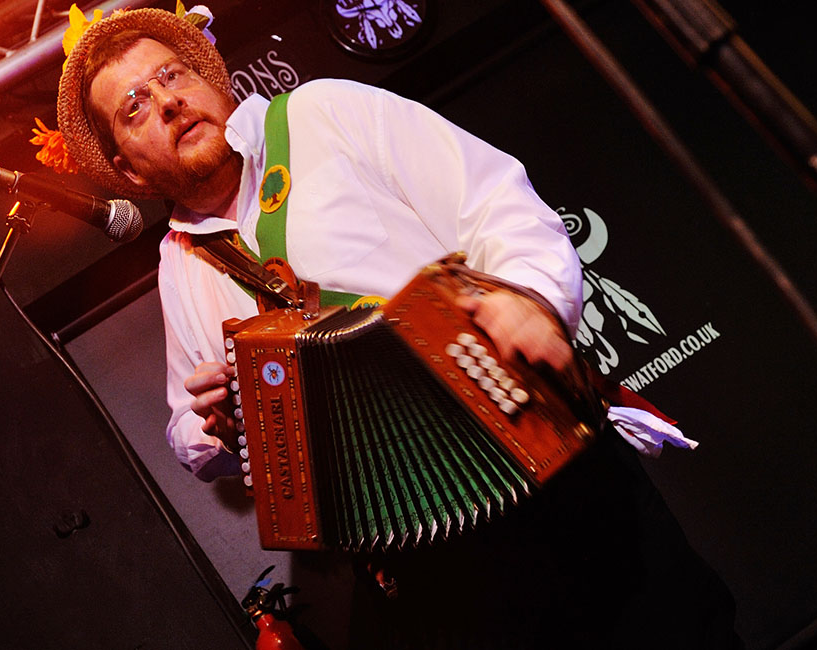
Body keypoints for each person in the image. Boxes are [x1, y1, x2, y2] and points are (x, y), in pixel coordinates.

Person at [53, 7, 740, 648]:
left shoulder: (324, 113)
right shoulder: (180, 263)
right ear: (126, 167)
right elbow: (188, 431)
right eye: (134, 106)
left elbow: (493, 203)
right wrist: (222, 426)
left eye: (172, 75)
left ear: (211, 80)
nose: (167, 101)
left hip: (541, 463)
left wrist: (531, 299)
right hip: (422, 545)